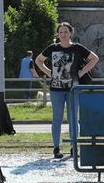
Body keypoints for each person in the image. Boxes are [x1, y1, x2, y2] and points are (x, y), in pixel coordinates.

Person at [35, 21, 99, 159]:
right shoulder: (52, 48)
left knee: (73, 119)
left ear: (71, 33)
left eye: (65, 32)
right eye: (60, 32)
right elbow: (38, 60)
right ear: (57, 34)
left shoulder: (77, 48)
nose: (63, 34)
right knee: (56, 118)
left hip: (73, 89)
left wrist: (81, 73)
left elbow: (94, 58)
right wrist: (48, 73)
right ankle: (56, 147)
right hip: (56, 89)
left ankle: (74, 146)